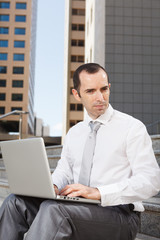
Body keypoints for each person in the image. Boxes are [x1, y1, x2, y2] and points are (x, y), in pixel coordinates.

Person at [0, 63, 160, 240]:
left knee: (54, 210)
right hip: (77, 208)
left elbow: (151, 181)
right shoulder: (75, 132)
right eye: (91, 91)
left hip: (120, 215)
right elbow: (64, 171)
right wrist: (52, 186)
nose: (100, 97)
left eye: (104, 89)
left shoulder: (132, 128)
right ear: (77, 94)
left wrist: (99, 192)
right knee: (14, 202)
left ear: (109, 88)